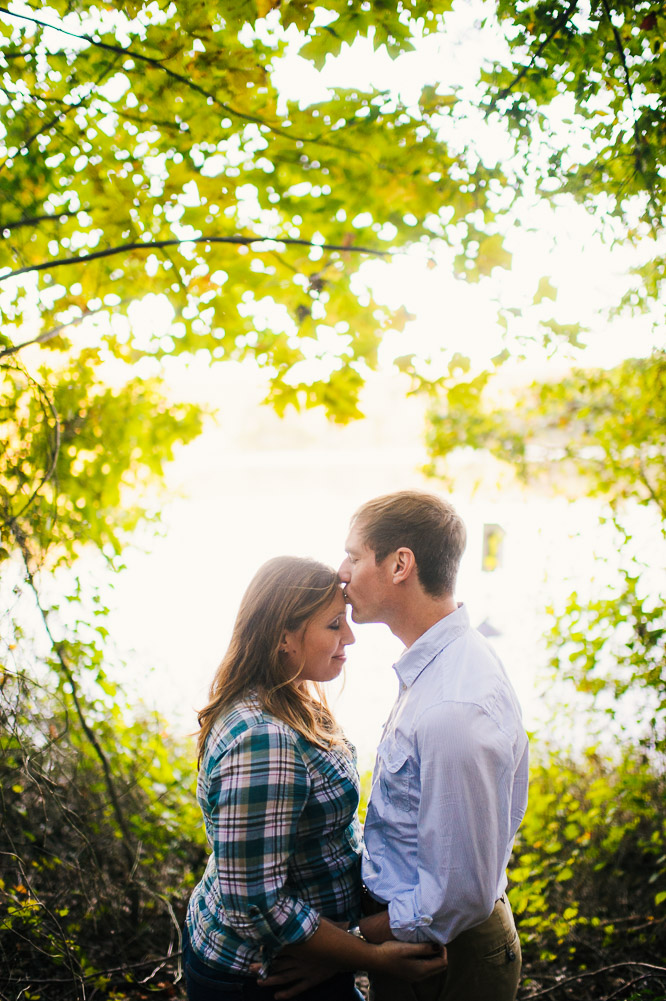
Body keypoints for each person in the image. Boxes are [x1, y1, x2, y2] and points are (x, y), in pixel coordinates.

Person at [183, 555, 448, 1001]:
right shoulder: (264, 740)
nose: (349, 636)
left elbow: (325, 840)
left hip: (311, 955)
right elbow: (254, 903)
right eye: (332, 625)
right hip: (266, 976)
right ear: (283, 636)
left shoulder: (291, 696)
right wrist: (371, 957)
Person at [337, 492, 529, 1001]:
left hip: (445, 957)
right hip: (424, 943)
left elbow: (455, 898)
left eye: (354, 557)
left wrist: (353, 942)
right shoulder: (439, 667)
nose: (342, 572)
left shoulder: (453, 707)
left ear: (400, 564)